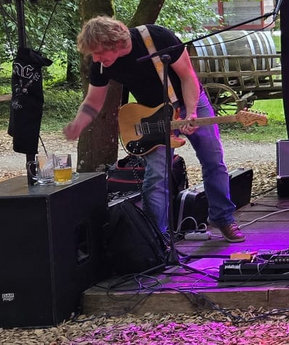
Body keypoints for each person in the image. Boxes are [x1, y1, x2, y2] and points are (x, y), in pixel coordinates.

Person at [64, 16, 244, 242]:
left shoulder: (157, 38)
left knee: (213, 160)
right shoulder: (100, 64)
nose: (96, 58)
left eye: (99, 53)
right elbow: (93, 101)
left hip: (191, 101)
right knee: (157, 175)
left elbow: (187, 76)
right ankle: (158, 239)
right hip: (151, 114)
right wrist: (78, 124)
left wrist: (190, 113)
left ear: (116, 43)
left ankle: (222, 217)